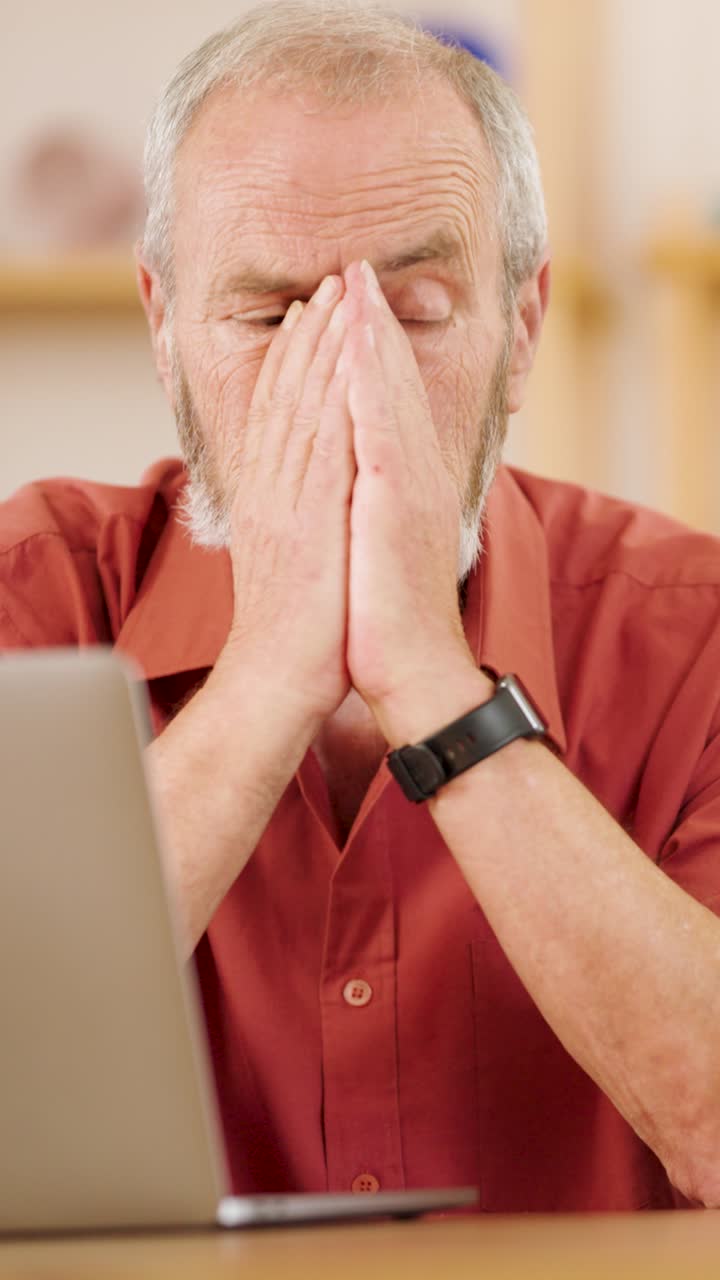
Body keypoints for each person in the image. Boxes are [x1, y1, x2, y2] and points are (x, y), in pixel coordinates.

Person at [2, 0, 720, 1213]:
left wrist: (436, 685)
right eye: (269, 316)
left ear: (523, 327)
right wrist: (269, 675)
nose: (346, 379)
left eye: (417, 313)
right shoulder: (32, 594)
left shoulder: (694, 633)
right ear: (164, 328)